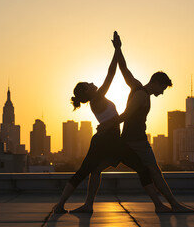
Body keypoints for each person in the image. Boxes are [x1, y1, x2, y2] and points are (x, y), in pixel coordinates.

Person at [53, 32, 171, 214]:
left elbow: (119, 70)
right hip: (112, 141)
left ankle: (68, 205)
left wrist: (118, 50)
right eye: (88, 83)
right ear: (86, 89)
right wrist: (116, 50)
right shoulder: (98, 97)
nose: (92, 82)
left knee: (89, 171)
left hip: (102, 140)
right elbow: (112, 73)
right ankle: (158, 205)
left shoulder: (96, 100)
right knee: (141, 168)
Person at [98, 32, 194, 213]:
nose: (162, 93)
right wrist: (107, 125)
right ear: (156, 83)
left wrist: (118, 48)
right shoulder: (142, 95)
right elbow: (126, 115)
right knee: (154, 172)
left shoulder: (136, 86)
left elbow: (123, 68)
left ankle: (164, 205)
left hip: (126, 140)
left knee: (103, 168)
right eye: (163, 88)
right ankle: (173, 205)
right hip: (137, 142)